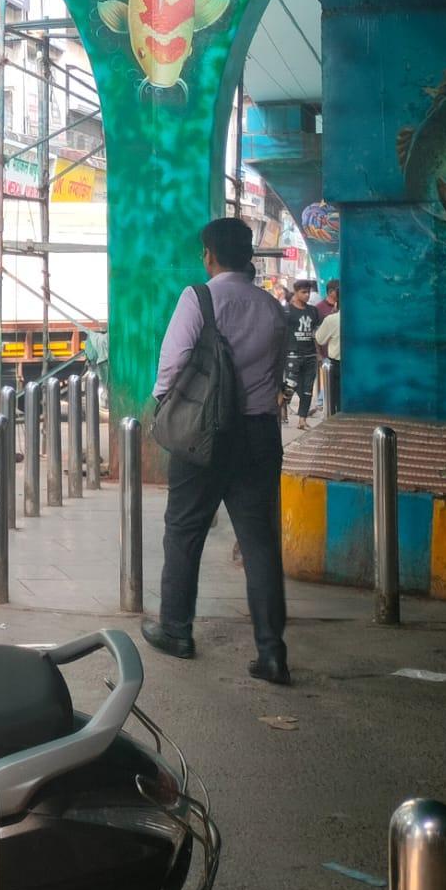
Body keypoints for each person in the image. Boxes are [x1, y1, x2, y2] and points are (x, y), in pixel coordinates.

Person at [144, 217, 292, 685]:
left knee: (184, 529)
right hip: (258, 435)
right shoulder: (272, 308)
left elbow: (171, 364)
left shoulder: (200, 297)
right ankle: (272, 653)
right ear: (249, 255)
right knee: (260, 543)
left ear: (209, 255)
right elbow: (277, 370)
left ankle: (176, 630)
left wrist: (164, 405)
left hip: (205, 434)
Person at [284, 280, 319, 429]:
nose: (306, 295)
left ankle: (302, 419)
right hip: (293, 354)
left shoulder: (313, 311)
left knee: (308, 388)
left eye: (308, 292)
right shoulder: (287, 311)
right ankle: (282, 407)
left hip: (310, 354)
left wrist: (318, 353)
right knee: (291, 385)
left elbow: (315, 332)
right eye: (303, 292)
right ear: (296, 292)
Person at [315, 303, 341, 411]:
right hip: (360, 365)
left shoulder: (332, 319)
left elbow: (319, 339)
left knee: (337, 401)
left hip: (338, 365)